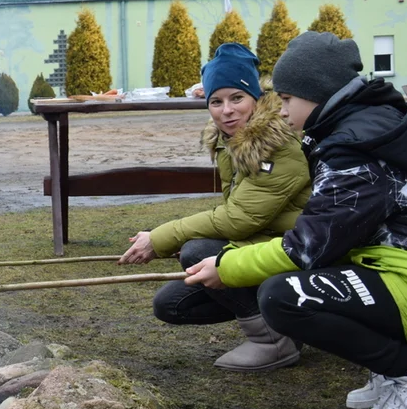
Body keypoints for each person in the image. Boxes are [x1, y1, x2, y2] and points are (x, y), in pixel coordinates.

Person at [186, 31, 407, 409]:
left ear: (317, 93)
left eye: (288, 99)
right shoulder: (363, 126)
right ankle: (389, 370)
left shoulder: (355, 148)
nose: (283, 109)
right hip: (390, 264)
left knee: (284, 297)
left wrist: (228, 264)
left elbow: (310, 244)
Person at [119, 43, 310, 371]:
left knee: (197, 251)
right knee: (171, 304)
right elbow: (244, 212)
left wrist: (164, 237)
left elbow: (239, 219)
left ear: (256, 99)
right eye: (216, 101)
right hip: (267, 241)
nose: (227, 111)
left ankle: (274, 342)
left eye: (237, 98)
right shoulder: (229, 141)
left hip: (303, 252)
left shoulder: (279, 143)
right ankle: (289, 325)